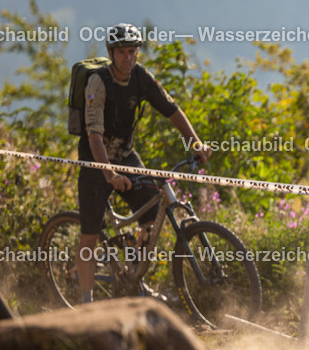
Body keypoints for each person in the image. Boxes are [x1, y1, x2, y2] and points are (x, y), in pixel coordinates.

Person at [76, 23, 210, 303]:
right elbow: (94, 134)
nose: (128, 57)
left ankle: (134, 278)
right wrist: (109, 172)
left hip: (126, 156)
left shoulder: (141, 77)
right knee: (89, 236)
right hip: (96, 161)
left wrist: (195, 143)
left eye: (132, 51)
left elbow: (172, 110)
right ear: (111, 54)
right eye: (121, 52)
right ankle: (85, 303)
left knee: (151, 216)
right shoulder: (98, 82)